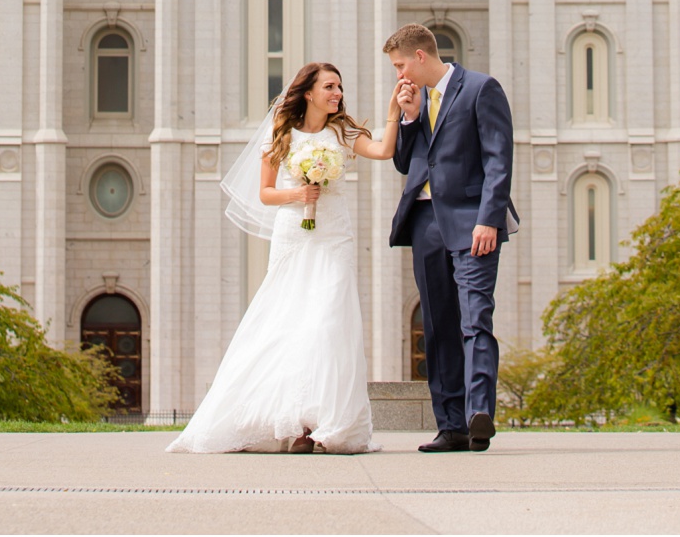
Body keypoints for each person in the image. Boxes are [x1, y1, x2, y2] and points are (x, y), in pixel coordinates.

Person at [167, 62, 401, 453]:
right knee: (289, 321)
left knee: (329, 322)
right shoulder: (282, 134)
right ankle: (292, 425)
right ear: (308, 92)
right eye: (330, 86)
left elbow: (384, 150)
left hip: (334, 236)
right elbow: (265, 193)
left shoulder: (342, 132)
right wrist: (299, 194)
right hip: (294, 233)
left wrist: (394, 113)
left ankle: (326, 425)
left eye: (339, 87)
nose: (337, 93)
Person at [384, 22, 517, 454]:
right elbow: (406, 163)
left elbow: (499, 159)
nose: (399, 75)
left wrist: (488, 219)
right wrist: (407, 117)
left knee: (475, 317)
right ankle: (451, 425)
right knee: (438, 326)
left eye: (400, 66)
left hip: (472, 223)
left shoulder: (481, 89)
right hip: (425, 224)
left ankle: (480, 413)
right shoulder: (415, 101)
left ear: (420, 56)